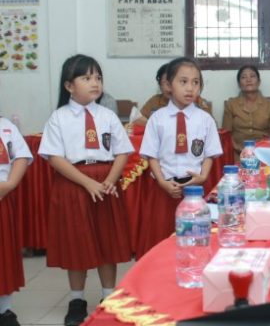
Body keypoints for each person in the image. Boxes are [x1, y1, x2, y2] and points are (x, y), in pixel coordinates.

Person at [38, 54, 133, 326]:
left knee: (107, 240)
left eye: (98, 78)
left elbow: (122, 151)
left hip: (105, 181)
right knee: (75, 243)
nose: (95, 83)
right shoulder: (59, 118)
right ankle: (77, 300)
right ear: (69, 86)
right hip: (73, 182)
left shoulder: (108, 116)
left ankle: (109, 296)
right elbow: (55, 158)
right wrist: (87, 182)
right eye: (87, 78)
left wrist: (110, 180)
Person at [137, 57, 222, 258]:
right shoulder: (157, 118)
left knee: (194, 241)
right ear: (168, 85)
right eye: (183, 82)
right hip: (164, 187)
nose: (190, 88)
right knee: (162, 239)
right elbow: (151, 155)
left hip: (195, 188)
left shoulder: (205, 119)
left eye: (195, 82)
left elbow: (210, 153)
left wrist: (203, 176)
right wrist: (162, 181)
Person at [0, 109, 32, 326]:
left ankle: (5, 310)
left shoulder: (5, 126)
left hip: (2, 197)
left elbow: (21, 156)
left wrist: (10, 184)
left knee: (4, 256)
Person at [222, 65, 270, 161]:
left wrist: (261, 150)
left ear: (259, 82)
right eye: (244, 77)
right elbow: (226, 135)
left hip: (263, 154)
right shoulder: (231, 104)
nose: (248, 80)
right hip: (237, 155)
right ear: (239, 84)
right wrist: (241, 150)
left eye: (252, 76)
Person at [133, 63, 212, 126]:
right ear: (160, 85)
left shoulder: (195, 100)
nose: (170, 87)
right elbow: (139, 119)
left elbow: (209, 123)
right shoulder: (154, 101)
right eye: (166, 83)